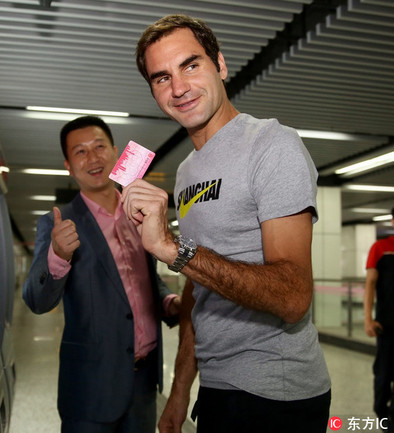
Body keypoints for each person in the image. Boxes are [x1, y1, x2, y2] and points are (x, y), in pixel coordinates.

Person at [120, 14, 332, 433]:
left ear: (220, 65)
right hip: (218, 388)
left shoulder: (272, 145)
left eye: (191, 65)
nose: (178, 88)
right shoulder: (186, 172)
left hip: (276, 392)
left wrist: (171, 247)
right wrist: (181, 391)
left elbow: (292, 297)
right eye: (161, 78)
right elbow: (199, 290)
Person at [22, 115, 181, 433]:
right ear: (68, 165)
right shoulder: (58, 223)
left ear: (116, 151)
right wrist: (58, 255)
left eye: (99, 147)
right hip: (90, 387)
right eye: (80, 152)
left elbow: (143, 280)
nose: (92, 158)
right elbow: (36, 300)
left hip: (143, 383)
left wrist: (170, 302)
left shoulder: (139, 213)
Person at [364, 207, 394, 430]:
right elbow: (370, 284)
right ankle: (383, 416)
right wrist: (367, 318)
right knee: (383, 379)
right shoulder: (380, 248)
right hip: (386, 326)